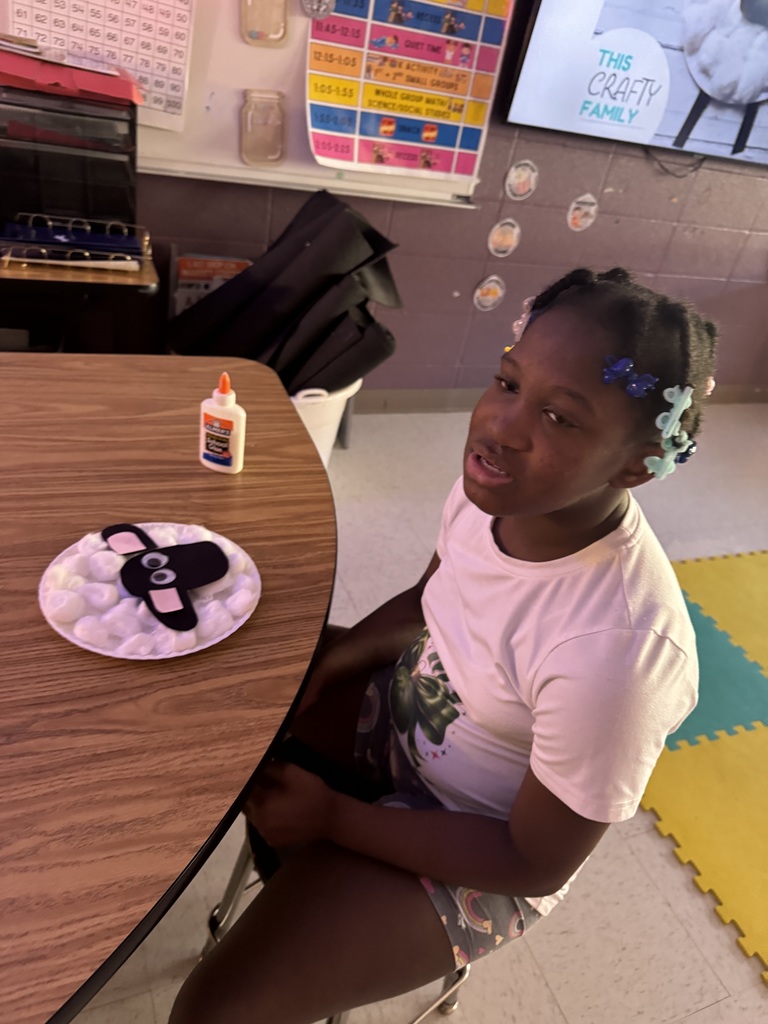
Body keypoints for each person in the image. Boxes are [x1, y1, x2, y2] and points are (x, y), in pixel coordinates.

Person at [169, 267, 718, 1024]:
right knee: (226, 676)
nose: (501, 426)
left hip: (484, 849)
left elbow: (535, 860)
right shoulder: (492, 488)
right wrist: (334, 661)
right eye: (507, 381)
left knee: (218, 1011)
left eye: (560, 418)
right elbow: (434, 598)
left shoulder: (617, 649)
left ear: (636, 461)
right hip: (409, 722)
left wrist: (334, 820)